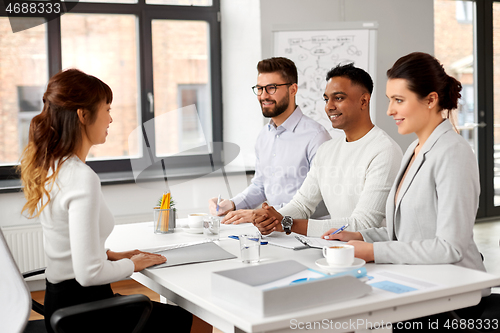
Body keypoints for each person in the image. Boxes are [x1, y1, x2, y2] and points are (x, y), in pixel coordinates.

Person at [18, 69, 204, 333]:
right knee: (197, 319)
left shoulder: (53, 167)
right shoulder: (81, 177)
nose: (111, 118)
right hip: (85, 314)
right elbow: (88, 274)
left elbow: (65, 240)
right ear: (83, 115)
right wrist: (133, 264)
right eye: (106, 109)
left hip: (61, 304)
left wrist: (109, 256)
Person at [323, 52, 488, 328]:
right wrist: (360, 236)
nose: (389, 110)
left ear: (431, 100)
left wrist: (373, 250)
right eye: (389, 100)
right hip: (420, 287)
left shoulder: (454, 153)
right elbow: (408, 231)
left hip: (455, 301)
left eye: (399, 100)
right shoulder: (413, 149)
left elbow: (450, 247)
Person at [252, 63, 403, 236]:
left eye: (338, 98)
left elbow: (362, 225)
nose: (329, 106)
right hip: (334, 250)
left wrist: (286, 223)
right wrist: (271, 219)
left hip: (373, 256)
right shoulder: (327, 150)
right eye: (326, 99)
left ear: (363, 100)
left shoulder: (384, 151)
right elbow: (302, 205)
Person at [208, 57, 331, 224]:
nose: (263, 96)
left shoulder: (316, 137)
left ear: (293, 89)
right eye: (259, 89)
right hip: (275, 228)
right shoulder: (264, 136)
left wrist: (261, 214)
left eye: (271, 88)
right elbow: (260, 186)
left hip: (308, 232)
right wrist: (232, 204)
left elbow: (321, 198)